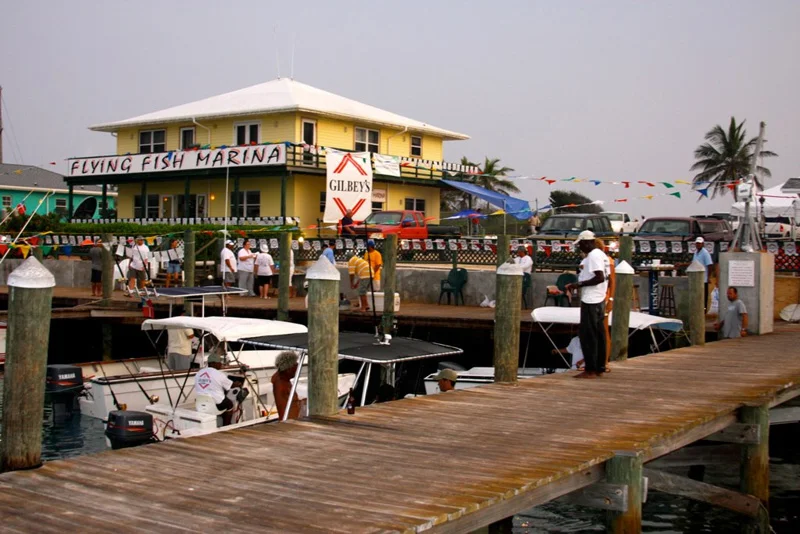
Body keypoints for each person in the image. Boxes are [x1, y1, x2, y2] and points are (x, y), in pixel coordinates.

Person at [565, 231, 609, 378]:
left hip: (592, 299)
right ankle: (599, 367)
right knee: (599, 334)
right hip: (598, 298)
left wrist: (579, 284)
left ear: (586, 242)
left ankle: (590, 369)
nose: (580, 248)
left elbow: (599, 277)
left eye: (581, 244)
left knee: (588, 334)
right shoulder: (601, 254)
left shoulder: (594, 256)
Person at [194, 352, 235, 425]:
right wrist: (238, 383)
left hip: (200, 401)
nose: (221, 364)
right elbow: (231, 385)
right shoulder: (219, 374)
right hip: (215, 402)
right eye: (219, 362)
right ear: (212, 363)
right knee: (230, 404)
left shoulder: (199, 373)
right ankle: (226, 426)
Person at [271, 351, 303, 420]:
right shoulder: (280, 384)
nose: (296, 370)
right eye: (295, 366)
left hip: (294, 419)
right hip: (290, 421)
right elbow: (282, 407)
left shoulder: (284, 380)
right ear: (288, 369)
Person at [692, 237, 714, 312]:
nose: (698, 245)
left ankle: (703, 311)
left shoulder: (705, 253)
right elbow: (693, 263)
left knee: (703, 297)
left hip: (703, 279)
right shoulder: (696, 252)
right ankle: (698, 310)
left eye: (700, 243)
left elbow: (710, 265)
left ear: (703, 244)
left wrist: (708, 277)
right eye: (697, 243)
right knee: (697, 296)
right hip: (696, 278)